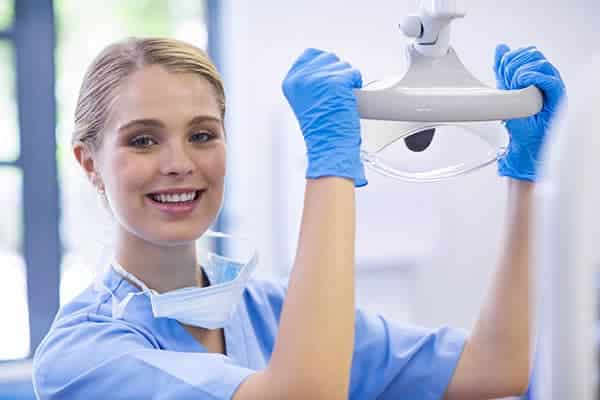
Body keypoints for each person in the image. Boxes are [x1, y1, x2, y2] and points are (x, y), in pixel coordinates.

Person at [31, 37, 565, 400]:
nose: (179, 164)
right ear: (89, 164)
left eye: (202, 135)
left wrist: (528, 177)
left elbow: (498, 365)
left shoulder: (272, 311)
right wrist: (331, 163)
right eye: (143, 140)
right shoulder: (82, 356)